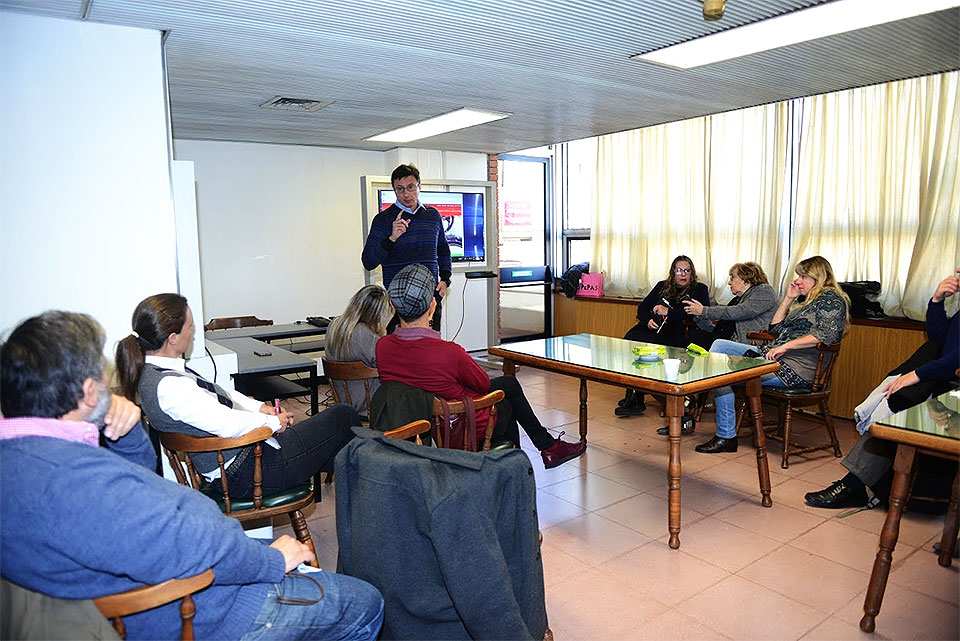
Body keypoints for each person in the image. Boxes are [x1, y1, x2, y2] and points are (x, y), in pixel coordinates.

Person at [0, 311, 383, 641]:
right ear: (87, 393)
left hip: (178, 586)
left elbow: (138, 483)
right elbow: (195, 543)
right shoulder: (74, 480)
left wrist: (128, 429)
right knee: (367, 603)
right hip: (209, 608)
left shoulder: (26, 460)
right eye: (99, 376)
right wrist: (270, 559)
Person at [115, 293, 358, 498]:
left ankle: (363, 476)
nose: (193, 332)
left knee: (344, 449)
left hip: (248, 459)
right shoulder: (168, 387)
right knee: (344, 416)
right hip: (248, 473)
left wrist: (259, 409)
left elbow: (220, 393)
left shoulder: (161, 371)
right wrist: (272, 423)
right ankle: (369, 481)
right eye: (190, 326)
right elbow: (228, 425)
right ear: (173, 338)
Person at [376, 263, 587, 469]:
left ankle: (541, 452)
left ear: (393, 306)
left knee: (508, 385)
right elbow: (483, 384)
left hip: (420, 425)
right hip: (460, 425)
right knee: (506, 401)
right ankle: (537, 457)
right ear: (432, 305)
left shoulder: (382, 347)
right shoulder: (449, 352)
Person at [805, 269, 959, 509]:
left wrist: (915, 375)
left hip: (953, 390)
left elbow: (956, 358)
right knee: (894, 408)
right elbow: (940, 337)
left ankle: (852, 486)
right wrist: (937, 300)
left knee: (895, 413)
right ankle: (855, 485)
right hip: (944, 381)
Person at [695, 255, 850, 453]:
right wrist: (788, 298)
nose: (798, 280)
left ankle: (726, 436)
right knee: (719, 346)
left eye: (803, 276)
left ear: (818, 277)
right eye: (798, 275)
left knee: (722, 375)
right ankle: (723, 431)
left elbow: (825, 335)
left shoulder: (830, 298)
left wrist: (786, 346)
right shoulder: (806, 302)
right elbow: (775, 329)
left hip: (795, 369)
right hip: (774, 359)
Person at [615, 255, 710, 418]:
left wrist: (669, 312)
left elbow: (696, 315)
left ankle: (639, 397)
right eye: (679, 270)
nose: (683, 274)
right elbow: (642, 308)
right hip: (652, 328)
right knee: (630, 341)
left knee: (648, 348)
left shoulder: (700, 289)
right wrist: (648, 320)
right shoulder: (662, 286)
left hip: (676, 333)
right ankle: (634, 395)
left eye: (687, 271)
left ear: (692, 274)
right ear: (673, 273)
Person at [361, 164, 451, 332]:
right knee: (400, 353)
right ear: (394, 191)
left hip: (429, 300)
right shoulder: (383, 220)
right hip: (397, 303)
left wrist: (445, 279)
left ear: (419, 186)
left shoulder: (432, 215)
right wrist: (392, 238)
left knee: (431, 351)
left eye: (411, 187)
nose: (406, 194)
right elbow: (368, 261)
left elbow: (443, 250)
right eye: (400, 189)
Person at [325, 285, 393, 416]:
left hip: (344, 401)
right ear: (378, 314)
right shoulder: (364, 335)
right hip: (367, 405)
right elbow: (389, 366)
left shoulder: (334, 326)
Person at [683, 261, 778, 346]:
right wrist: (698, 316)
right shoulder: (736, 300)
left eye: (732, 277)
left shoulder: (764, 290)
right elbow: (719, 330)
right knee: (695, 335)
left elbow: (741, 311)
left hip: (749, 342)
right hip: (728, 340)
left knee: (696, 338)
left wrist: (704, 310)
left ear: (746, 279)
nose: (729, 282)